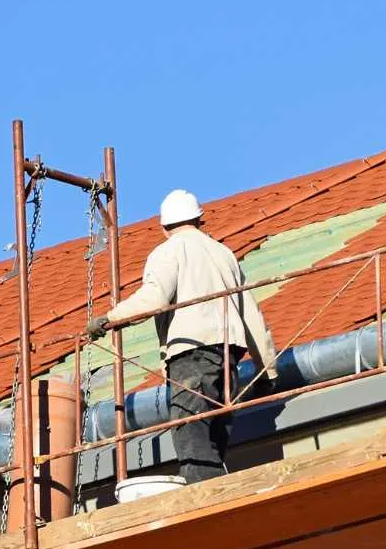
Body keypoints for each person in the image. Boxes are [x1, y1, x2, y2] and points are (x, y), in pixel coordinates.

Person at [87, 189, 277, 484]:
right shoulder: (223, 253)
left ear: (164, 228)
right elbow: (251, 314)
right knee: (213, 439)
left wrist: (109, 319)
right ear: (200, 219)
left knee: (191, 436)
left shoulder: (168, 252)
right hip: (228, 361)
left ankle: (206, 503)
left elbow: (154, 298)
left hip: (192, 355)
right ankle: (218, 493)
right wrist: (267, 371)